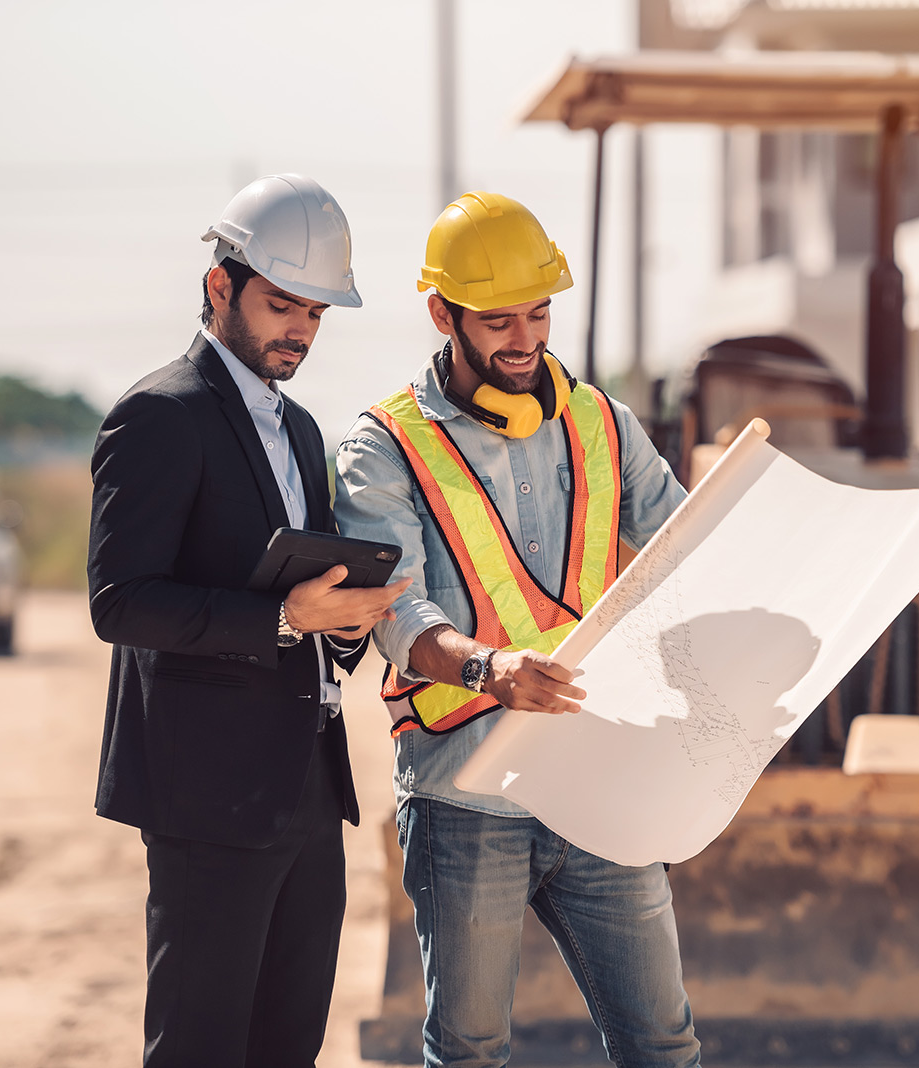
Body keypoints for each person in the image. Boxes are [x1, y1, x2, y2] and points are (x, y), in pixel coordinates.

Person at [334, 191, 699, 1068]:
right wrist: (488, 667)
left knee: (663, 1046)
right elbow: (394, 613)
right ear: (441, 313)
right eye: (498, 319)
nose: (525, 338)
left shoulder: (605, 424)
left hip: (597, 781)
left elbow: (690, 548)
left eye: (538, 313)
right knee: (471, 1053)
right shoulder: (385, 447)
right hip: (466, 797)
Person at [87, 173, 408, 1067]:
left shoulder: (304, 430)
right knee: (200, 1048)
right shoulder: (159, 415)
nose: (300, 329)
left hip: (306, 793)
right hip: (204, 799)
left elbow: (308, 608)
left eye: (315, 311)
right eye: (281, 304)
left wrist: (342, 624)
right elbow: (119, 601)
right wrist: (278, 616)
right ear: (219, 287)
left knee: (286, 1049)